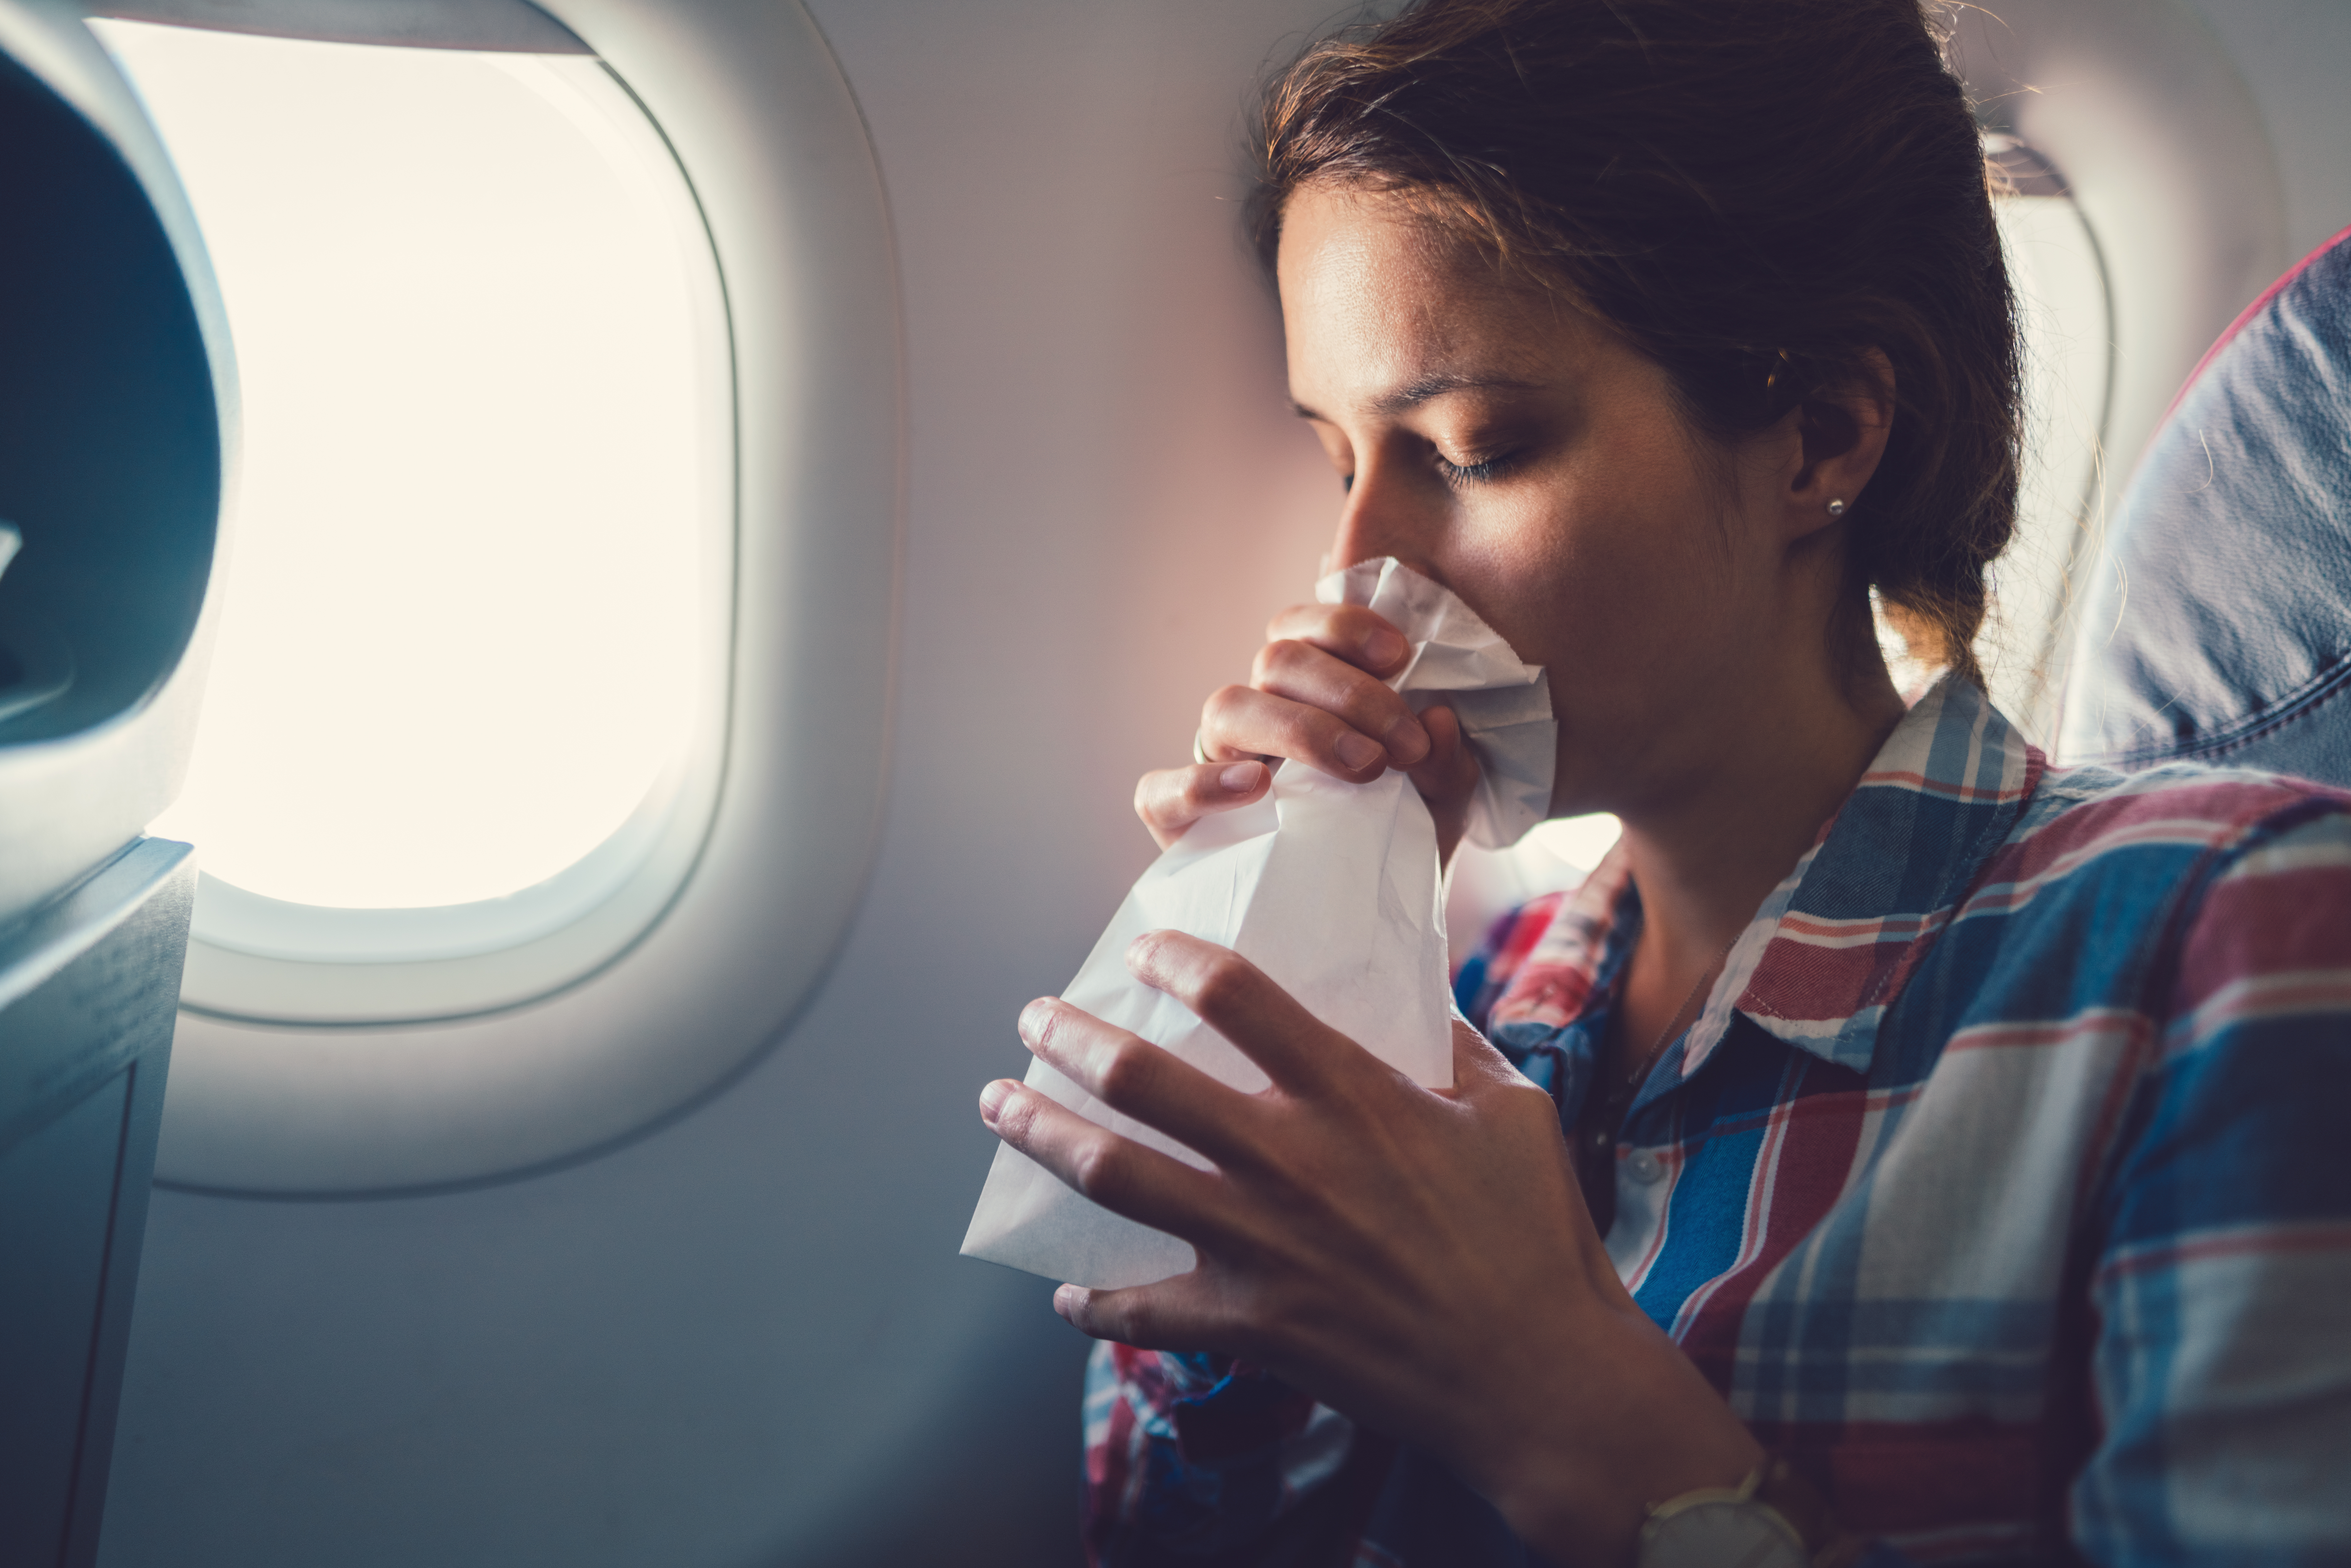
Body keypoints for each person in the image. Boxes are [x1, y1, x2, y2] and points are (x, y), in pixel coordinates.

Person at [973, 0, 2351, 1562]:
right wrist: (1295, 952)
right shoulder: (1460, 1011)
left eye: (1475, 449)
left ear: (1819, 436)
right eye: (1333, 454)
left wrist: (1546, 1393)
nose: (1350, 572)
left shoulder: (2232, 943)